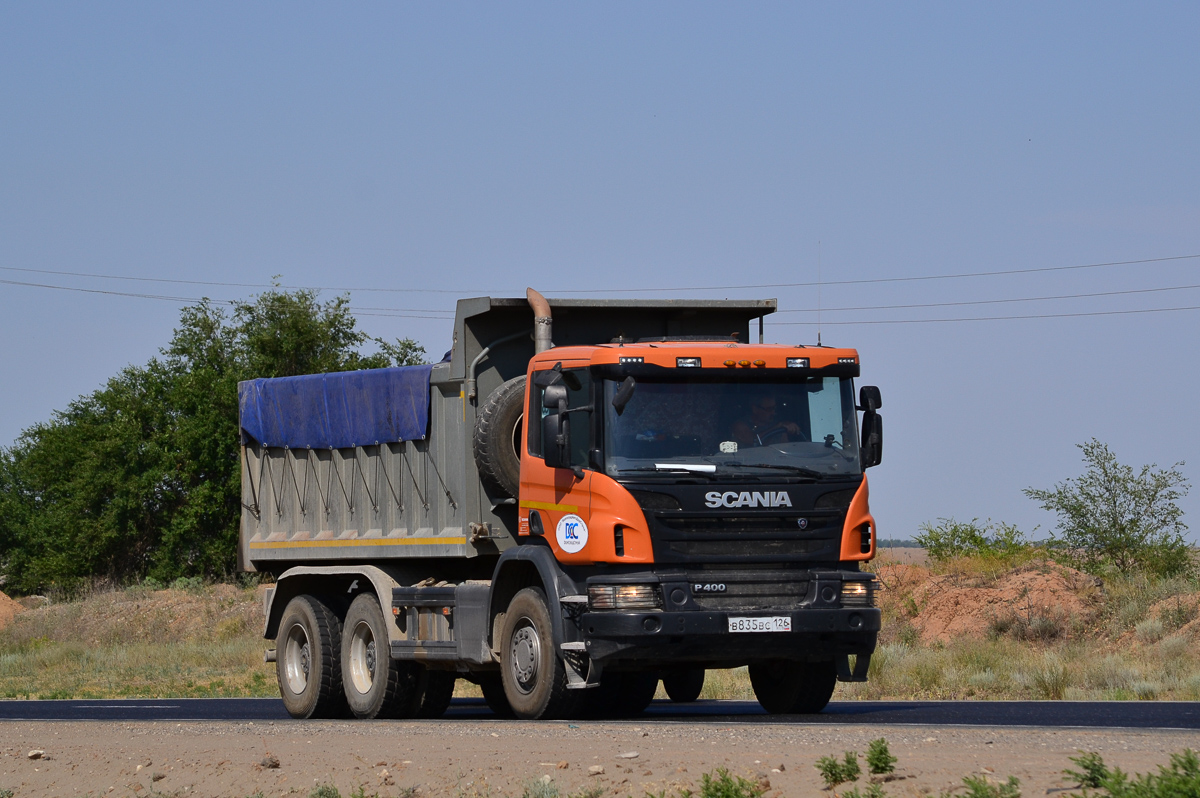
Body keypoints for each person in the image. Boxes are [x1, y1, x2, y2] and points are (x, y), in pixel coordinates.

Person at [731, 395, 802, 447]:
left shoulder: (779, 429)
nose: (773, 413)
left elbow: (785, 450)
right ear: (755, 409)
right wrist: (777, 427)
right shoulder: (740, 425)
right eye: (769, 409)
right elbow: (753, 441)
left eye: (774, 408)